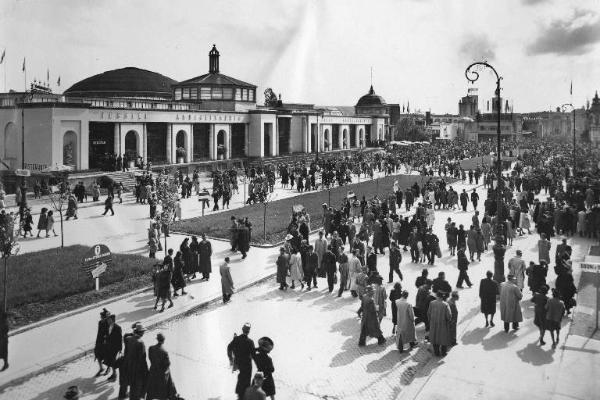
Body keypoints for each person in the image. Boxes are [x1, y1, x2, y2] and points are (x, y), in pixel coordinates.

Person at [228, 323, 256, 400]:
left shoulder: (236, 339)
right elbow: (254, 355)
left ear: (242, 329)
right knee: (246, 381)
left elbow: (229, 347)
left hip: (239, 364)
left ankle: (240, 396)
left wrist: (231, 359)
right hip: (247, 365)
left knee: (241, 379)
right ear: (248, 331)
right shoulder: (250, 342)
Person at [120, 322, 148, 400]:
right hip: (137, 369)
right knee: (137, 389)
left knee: (130, 385)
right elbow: (142, 359)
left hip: (129, 366)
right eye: (143, 331)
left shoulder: (128, 338)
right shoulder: (141, 343)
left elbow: (126, 336)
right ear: (141, 332)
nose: (143, 332)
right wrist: (145, 371)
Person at [146, 333, 178, 400]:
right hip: (161, 375)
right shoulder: (164, 351)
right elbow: (167, 364)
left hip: (152, 372)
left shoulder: (151, 348)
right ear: (163, 340)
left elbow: (150, 358)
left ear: (157, 339)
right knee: (164, 389)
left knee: (151, 391)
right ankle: (172, 394)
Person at [428, 290, 452, 356]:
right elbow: (449, 316)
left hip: (433, 324)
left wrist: (430, 321)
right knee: (443, 339)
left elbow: (429, 313)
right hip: (443, 325)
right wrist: (448, 321)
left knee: (435, 338)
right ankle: (443, 353)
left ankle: (436, 353)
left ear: (436, 296)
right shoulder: (445, 304)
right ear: (442, 297)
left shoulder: (432, 303)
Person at [94, 308, 110, 376]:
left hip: (106, 343)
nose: (101, 318)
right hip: (100, 342)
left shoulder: (110, 324)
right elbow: (99, 333)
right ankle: (101, 368)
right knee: (98, 355)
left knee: (108, 356)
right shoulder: (100, 322)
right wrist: (97, 342)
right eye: (101, 317)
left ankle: (108, 368)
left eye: (102, 317)